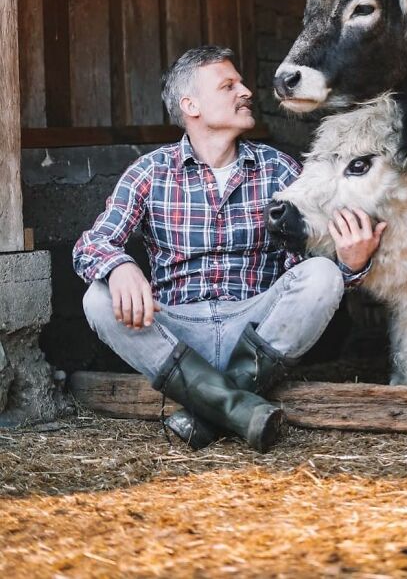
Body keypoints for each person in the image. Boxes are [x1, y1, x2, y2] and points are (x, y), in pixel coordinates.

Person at [73, 45, 386, 452]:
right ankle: (237, 403)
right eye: (228, 85)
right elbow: (91, 244)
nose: (246, 91)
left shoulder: (279, 170)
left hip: (256, 331)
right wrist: (119, 267)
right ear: (191, 105)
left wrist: (350, 265)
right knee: (96, 298)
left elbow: (307, 271)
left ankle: (211, 410)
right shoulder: (149, 172)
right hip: (175, 333)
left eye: (240, 82)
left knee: (323, 275)